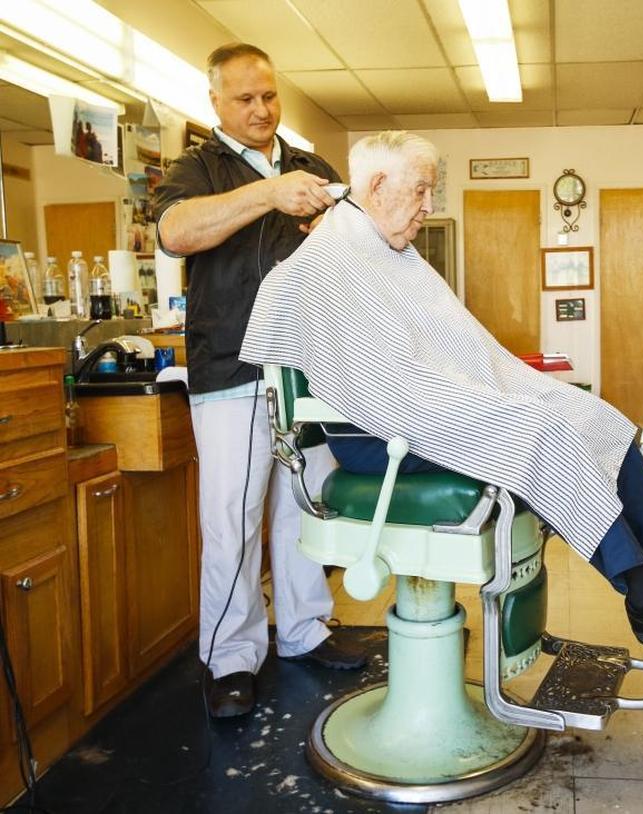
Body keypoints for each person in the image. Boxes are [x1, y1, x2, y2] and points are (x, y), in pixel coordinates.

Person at [240, 131, 643, 648]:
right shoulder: (332, 258)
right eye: (421, 190)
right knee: (540, 427)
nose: (429, 205)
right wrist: (485, 403)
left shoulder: (385, 248)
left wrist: (489, 389)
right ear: (377, 186)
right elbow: (377, 379)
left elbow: (441, 348)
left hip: (418, 405)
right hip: (376, 432)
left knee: (584, 410)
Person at [154, 42, 364, 719]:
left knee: (306, 503)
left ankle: (304, 630)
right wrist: (268, 194)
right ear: (214, 101)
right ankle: (232, 657)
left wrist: (338, 223)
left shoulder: (308, 166)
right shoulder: (195, 168)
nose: (261, 109)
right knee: (233, 519)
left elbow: (355, 251)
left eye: (269, 96)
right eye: (245, 98)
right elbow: (177, 232)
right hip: (232, 367)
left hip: (308, 368)